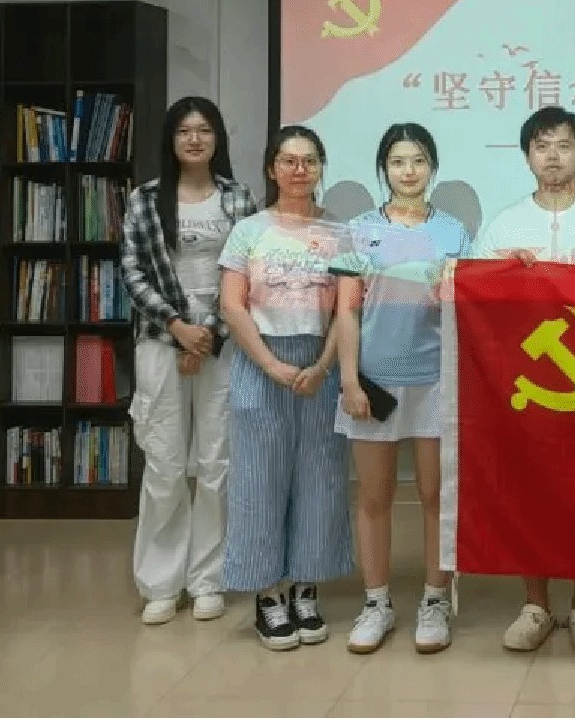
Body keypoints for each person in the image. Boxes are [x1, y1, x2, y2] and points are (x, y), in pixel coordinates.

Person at [470, 105, 575, 654]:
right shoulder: (504, 224)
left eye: (563, 145)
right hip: (525, 386)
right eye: (541, 146)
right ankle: (535, 604)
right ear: (527, 156)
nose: (552, 156)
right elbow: (469, 294)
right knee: (530, 490)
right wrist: (502, 272)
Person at [331, 124, 469, 656]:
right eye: (397, 161)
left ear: (432, 166)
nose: (408, 171)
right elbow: (347, 310)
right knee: (374, 495)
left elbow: (463, 308)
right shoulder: (359, 230)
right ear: (383, 169)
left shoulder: (454, 232)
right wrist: (349, 379)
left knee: (435, 494)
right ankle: (376, 603)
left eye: (418, 160)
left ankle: (435, 600)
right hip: (373, 380)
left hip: (435, 379)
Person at [120, 96, 258, 626]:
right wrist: (179, 329)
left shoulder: (237, 199)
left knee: (218, 464)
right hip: (161, 341)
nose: (195, 139)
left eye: (204, 130)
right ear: (171, 140)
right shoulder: (145, 199)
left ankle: (208, 579)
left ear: (218, 138)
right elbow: (133, 272)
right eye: (184, 131)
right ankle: (160, 583)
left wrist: (208, 337)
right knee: (165, 463)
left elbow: (249, 272)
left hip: (223, 343)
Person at [218, 126, 354, 651]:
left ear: (321, 168)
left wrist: (322, 365)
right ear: (272, 168)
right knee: (259, 480)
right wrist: (271, 365)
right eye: (289, 160)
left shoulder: (340, 232)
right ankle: (268, 594)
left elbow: (347, 310)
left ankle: (305, 588)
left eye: (310, 160)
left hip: (321, 364)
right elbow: (232, 305)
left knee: (321, 478)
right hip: (261, 361)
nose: (300, 170)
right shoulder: (248, 230)